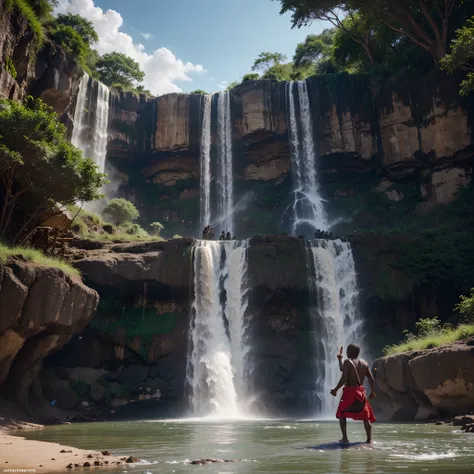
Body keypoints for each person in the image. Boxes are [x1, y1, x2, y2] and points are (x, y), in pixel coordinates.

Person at [331, 344, 376, 444]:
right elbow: (371, 380)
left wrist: (335, 389)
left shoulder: (348, 361)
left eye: (347, 351)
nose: (346, 353)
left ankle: (345, 438)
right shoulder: (365, 363)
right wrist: (372, 392)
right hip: (361, 392)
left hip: (350, 392)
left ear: (350, 352)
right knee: (365, 416)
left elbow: (344, 377)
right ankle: (369, 439)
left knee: (341, 413)